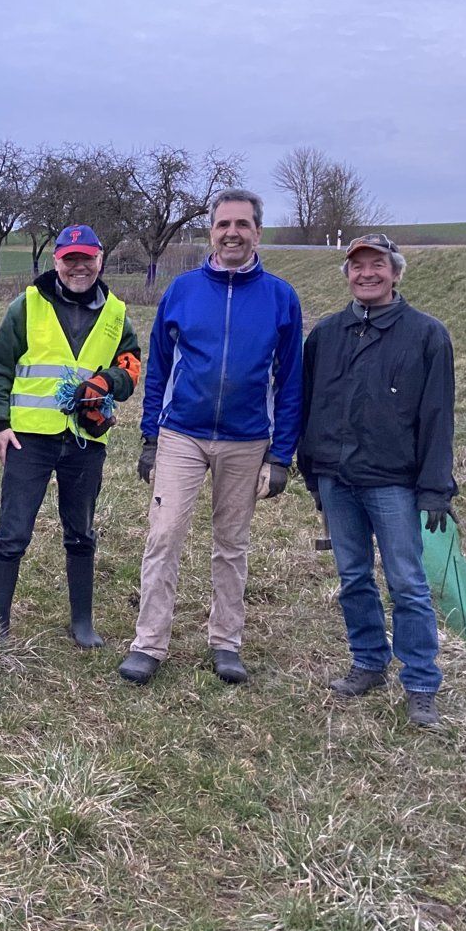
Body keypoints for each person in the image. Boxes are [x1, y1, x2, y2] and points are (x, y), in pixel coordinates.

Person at [117, 188, 303, 686]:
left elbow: (290, 383)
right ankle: (149, 642)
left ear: (258, 232)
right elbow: (157, 367)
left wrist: (281, 454)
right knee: (164, 533)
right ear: (211, 231)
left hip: (247, 440)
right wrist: (150, 437)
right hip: (182, 434)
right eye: (223, 225)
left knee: (232, 543)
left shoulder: (281, 298)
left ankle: (226, 641)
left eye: (242, 225)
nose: (232, 233)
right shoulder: (182, 290)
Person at [297, 233, 457, 727]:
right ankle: (368, 661)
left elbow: (437, 416)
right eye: (357, 266)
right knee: (353, 577)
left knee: (407, 583)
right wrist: (310, 463)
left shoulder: (427, 335)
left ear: (396, 273)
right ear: (346, 274)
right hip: (336, 478)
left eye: (377, 265)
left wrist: (434, 487)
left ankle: (421, 683)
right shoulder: (326, 334)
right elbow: (306, 403)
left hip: (392, 481)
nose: (367, 274)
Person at [0, 224, 142, 648]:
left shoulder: (117, 313)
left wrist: (109, 382)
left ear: (99, 260)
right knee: (12, 533)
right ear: (56, 262)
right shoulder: (27, 305)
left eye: (86, 258)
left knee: (82, 532)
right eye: (69, 259)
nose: (78, 267)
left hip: (86, 439)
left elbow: (131, 366)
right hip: (29, 439)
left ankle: (82, 624)